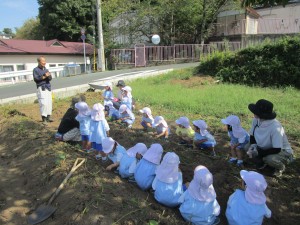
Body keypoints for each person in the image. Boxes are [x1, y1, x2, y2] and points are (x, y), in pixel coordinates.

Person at [247, 99, 294, 177]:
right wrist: (253, 146)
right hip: (264, 147)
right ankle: (264, 164)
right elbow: (252, 135)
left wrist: (260, 154)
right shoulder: (256, 120)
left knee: (269, 159)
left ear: (262, 114)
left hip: (282, 151)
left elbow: (277, 149)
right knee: (247, 147)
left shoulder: (275, 127)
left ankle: (281, 167)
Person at [33, 56, 53, 123]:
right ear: (39, 62)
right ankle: (44, 118)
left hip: (48, 87)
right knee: (43, 103)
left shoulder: (46, 69)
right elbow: (36, 79)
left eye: (45, 61)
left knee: (49, 102)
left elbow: (50, 79)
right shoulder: (35, 70)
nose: (44, 62)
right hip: (41, 88)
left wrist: (48, 76)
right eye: (43, 61)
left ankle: (48, 117)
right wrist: (44, 76)